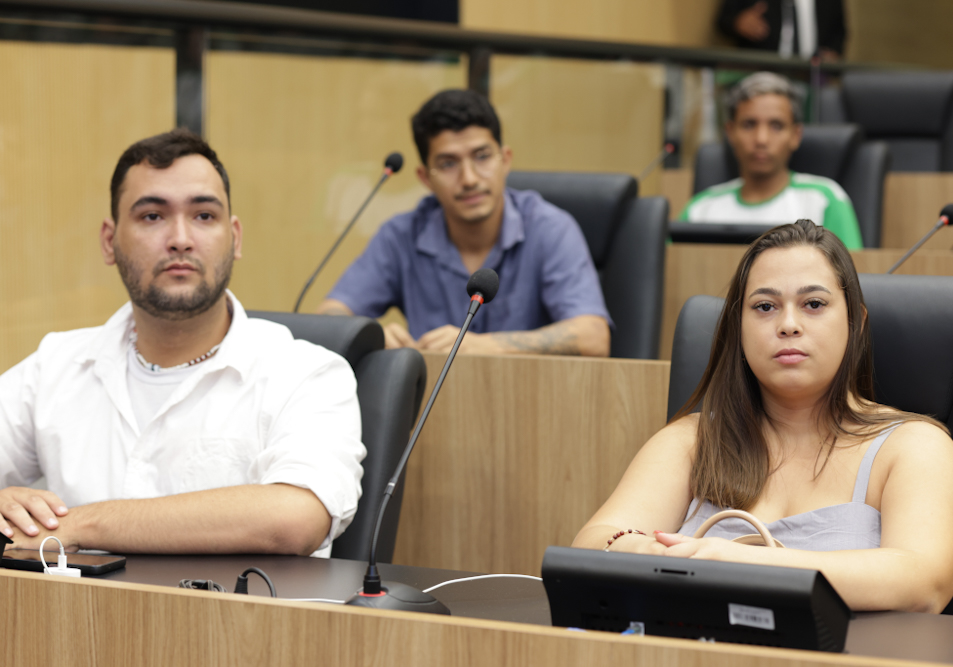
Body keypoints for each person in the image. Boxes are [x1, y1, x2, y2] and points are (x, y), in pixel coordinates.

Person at [573, 220, 953, 613]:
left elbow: (925, 583)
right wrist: (645, 550)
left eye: (813, 304)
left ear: (856, 323)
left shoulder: (914, 447)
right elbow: (591, 545)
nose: (787, 325)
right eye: (764, 307)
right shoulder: (691, 441)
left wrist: (739, 564)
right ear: (739, 329)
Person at [0, 129, 365, 556]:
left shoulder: (307, 373)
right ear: (109, 241)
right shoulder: (55, 366)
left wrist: (80, 523)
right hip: (75, 622)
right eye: (152, 216)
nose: (180, 238)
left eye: (204, 216)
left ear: (236, 238)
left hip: (237, 623)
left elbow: (295, 518)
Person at [318, 89, 612, 357]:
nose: (469, 179)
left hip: (531, 401)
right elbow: (330, 315)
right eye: (448, 164)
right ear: (425, 178)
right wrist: (371, 336)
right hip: (433, 406)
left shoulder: (550, 228)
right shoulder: (402, 235)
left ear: (505, 160)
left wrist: (485, 345)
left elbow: (593, 337)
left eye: (482, 157)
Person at [680, 72, 863, 250]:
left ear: (795, 135)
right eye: (749, 124)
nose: (761, 139)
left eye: (776, 126)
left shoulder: (826, 200)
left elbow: (850, 277)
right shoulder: (700, 209)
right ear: (730, 133)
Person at [717, 0, 846, 61]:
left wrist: (832, 53)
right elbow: (724, 20)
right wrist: (737, 22)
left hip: (811, 79)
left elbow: (838, 32)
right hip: (760, 75)